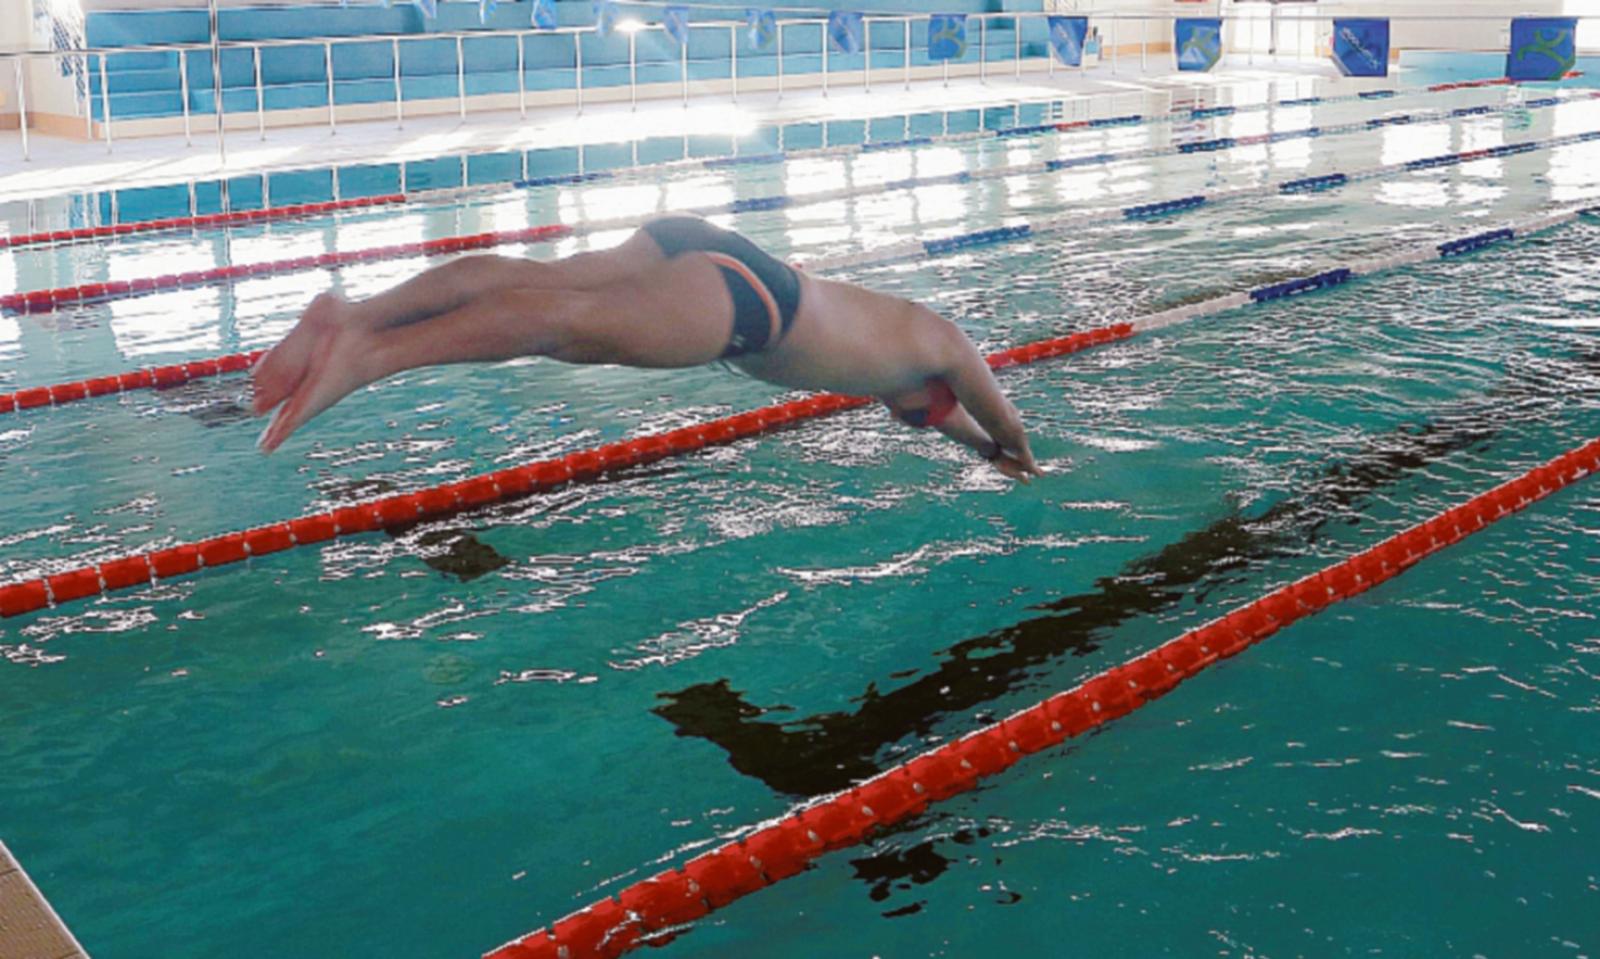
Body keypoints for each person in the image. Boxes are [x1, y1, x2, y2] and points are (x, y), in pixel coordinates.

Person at [251, 215, 1043, 482]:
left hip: (712, 249)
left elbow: (961, 425)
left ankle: (357, 317)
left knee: (549, 283)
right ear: (930, 389)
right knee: (559, 323)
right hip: (754, 308)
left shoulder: (902, 353)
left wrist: (984, 455)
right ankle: (370, 358)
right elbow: (1001, 418)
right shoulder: (940, 339)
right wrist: (1026, 458)